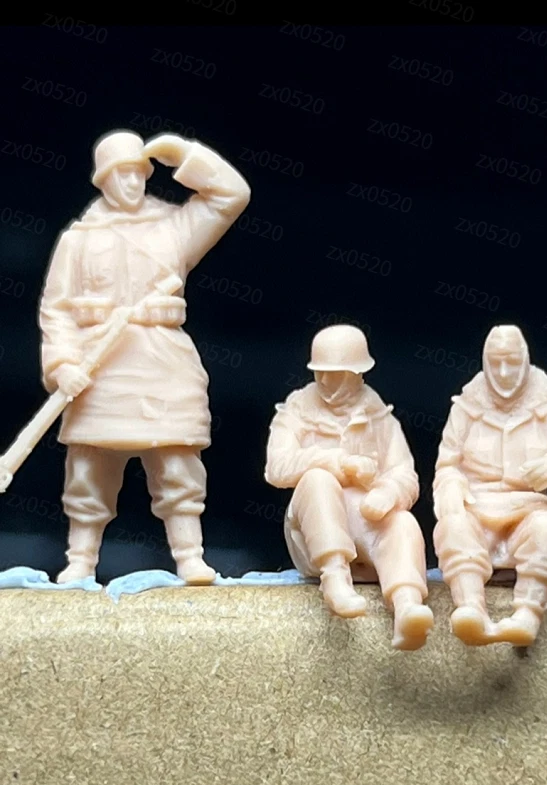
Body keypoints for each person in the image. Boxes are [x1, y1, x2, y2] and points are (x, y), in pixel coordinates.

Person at [39, 129, 250, 584]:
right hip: (99, 363)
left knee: (177, 462)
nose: (133, 182)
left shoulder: (173, 226)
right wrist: (62, 363)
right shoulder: (80, 239)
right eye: (122, 174)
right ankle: (81, 559)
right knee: (89, 468)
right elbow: (57, 310)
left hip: (160, 358)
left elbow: (231, 196)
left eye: (139, 173)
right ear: (104, 179)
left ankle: (189, 555)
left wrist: (187, 156)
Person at [433, 325, 547, 645]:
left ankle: (527, 615)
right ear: (485, 362)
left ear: (525, 359)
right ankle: (471, 610)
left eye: (511, 361)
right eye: (496, 363)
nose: (504, 372)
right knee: (453, 528)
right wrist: (450, 485)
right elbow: (447, 465)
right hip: (477, 508)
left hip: (530, 508)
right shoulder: (467, 408)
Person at [265, 324, 434, 650]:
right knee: (318, 479)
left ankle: (407, 607)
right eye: (322, 373)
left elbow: (405, 474)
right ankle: (335, 578)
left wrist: (388, 494)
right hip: (311, 528)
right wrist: (338, 462)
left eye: (337, 375)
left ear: (357, 374)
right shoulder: (297, 410)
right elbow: (277, 467)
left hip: (364, 520)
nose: (327, 382)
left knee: (402, 522)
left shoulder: (378, 417)